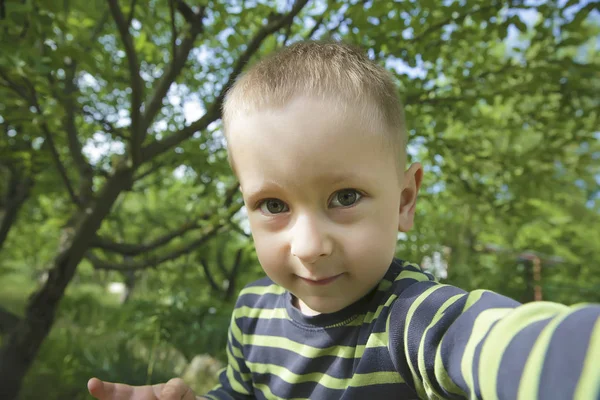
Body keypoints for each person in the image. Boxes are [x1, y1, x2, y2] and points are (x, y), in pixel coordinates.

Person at [88, 41, 600, 400]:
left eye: (345, 196)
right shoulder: (251, 315)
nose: (308, 246)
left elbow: (497, 342)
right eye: (273, 205)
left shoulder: (410, 319)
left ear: (404, 199)